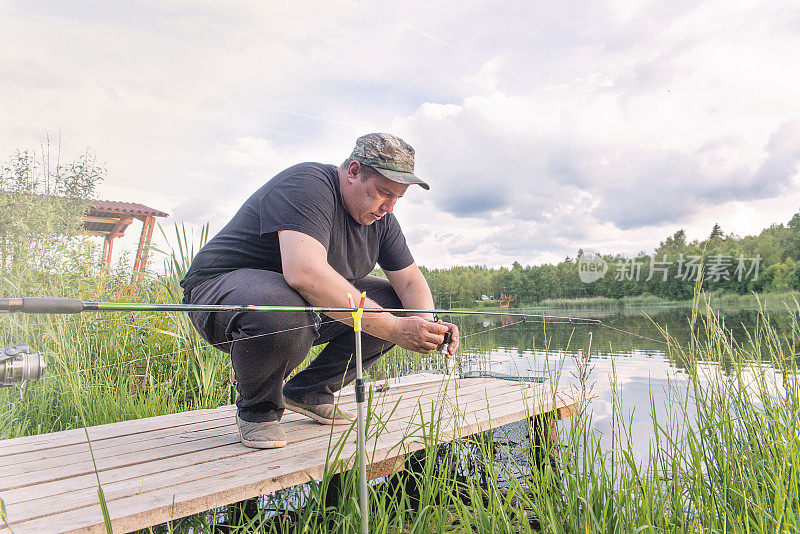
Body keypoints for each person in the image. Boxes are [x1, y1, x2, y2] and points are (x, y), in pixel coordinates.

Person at [180, 133, 459, 449]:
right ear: (353, 171)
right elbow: (305, 273)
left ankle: (309, 391)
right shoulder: (308, 184)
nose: (389, 207)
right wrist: (394, 328)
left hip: (297, 300)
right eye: (383, 192)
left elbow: (409, 282)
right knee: (282, 306)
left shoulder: (382, 221)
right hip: (222, 292)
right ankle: (258, 411)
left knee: (394, 303)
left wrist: (426, 325)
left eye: (398, 198)